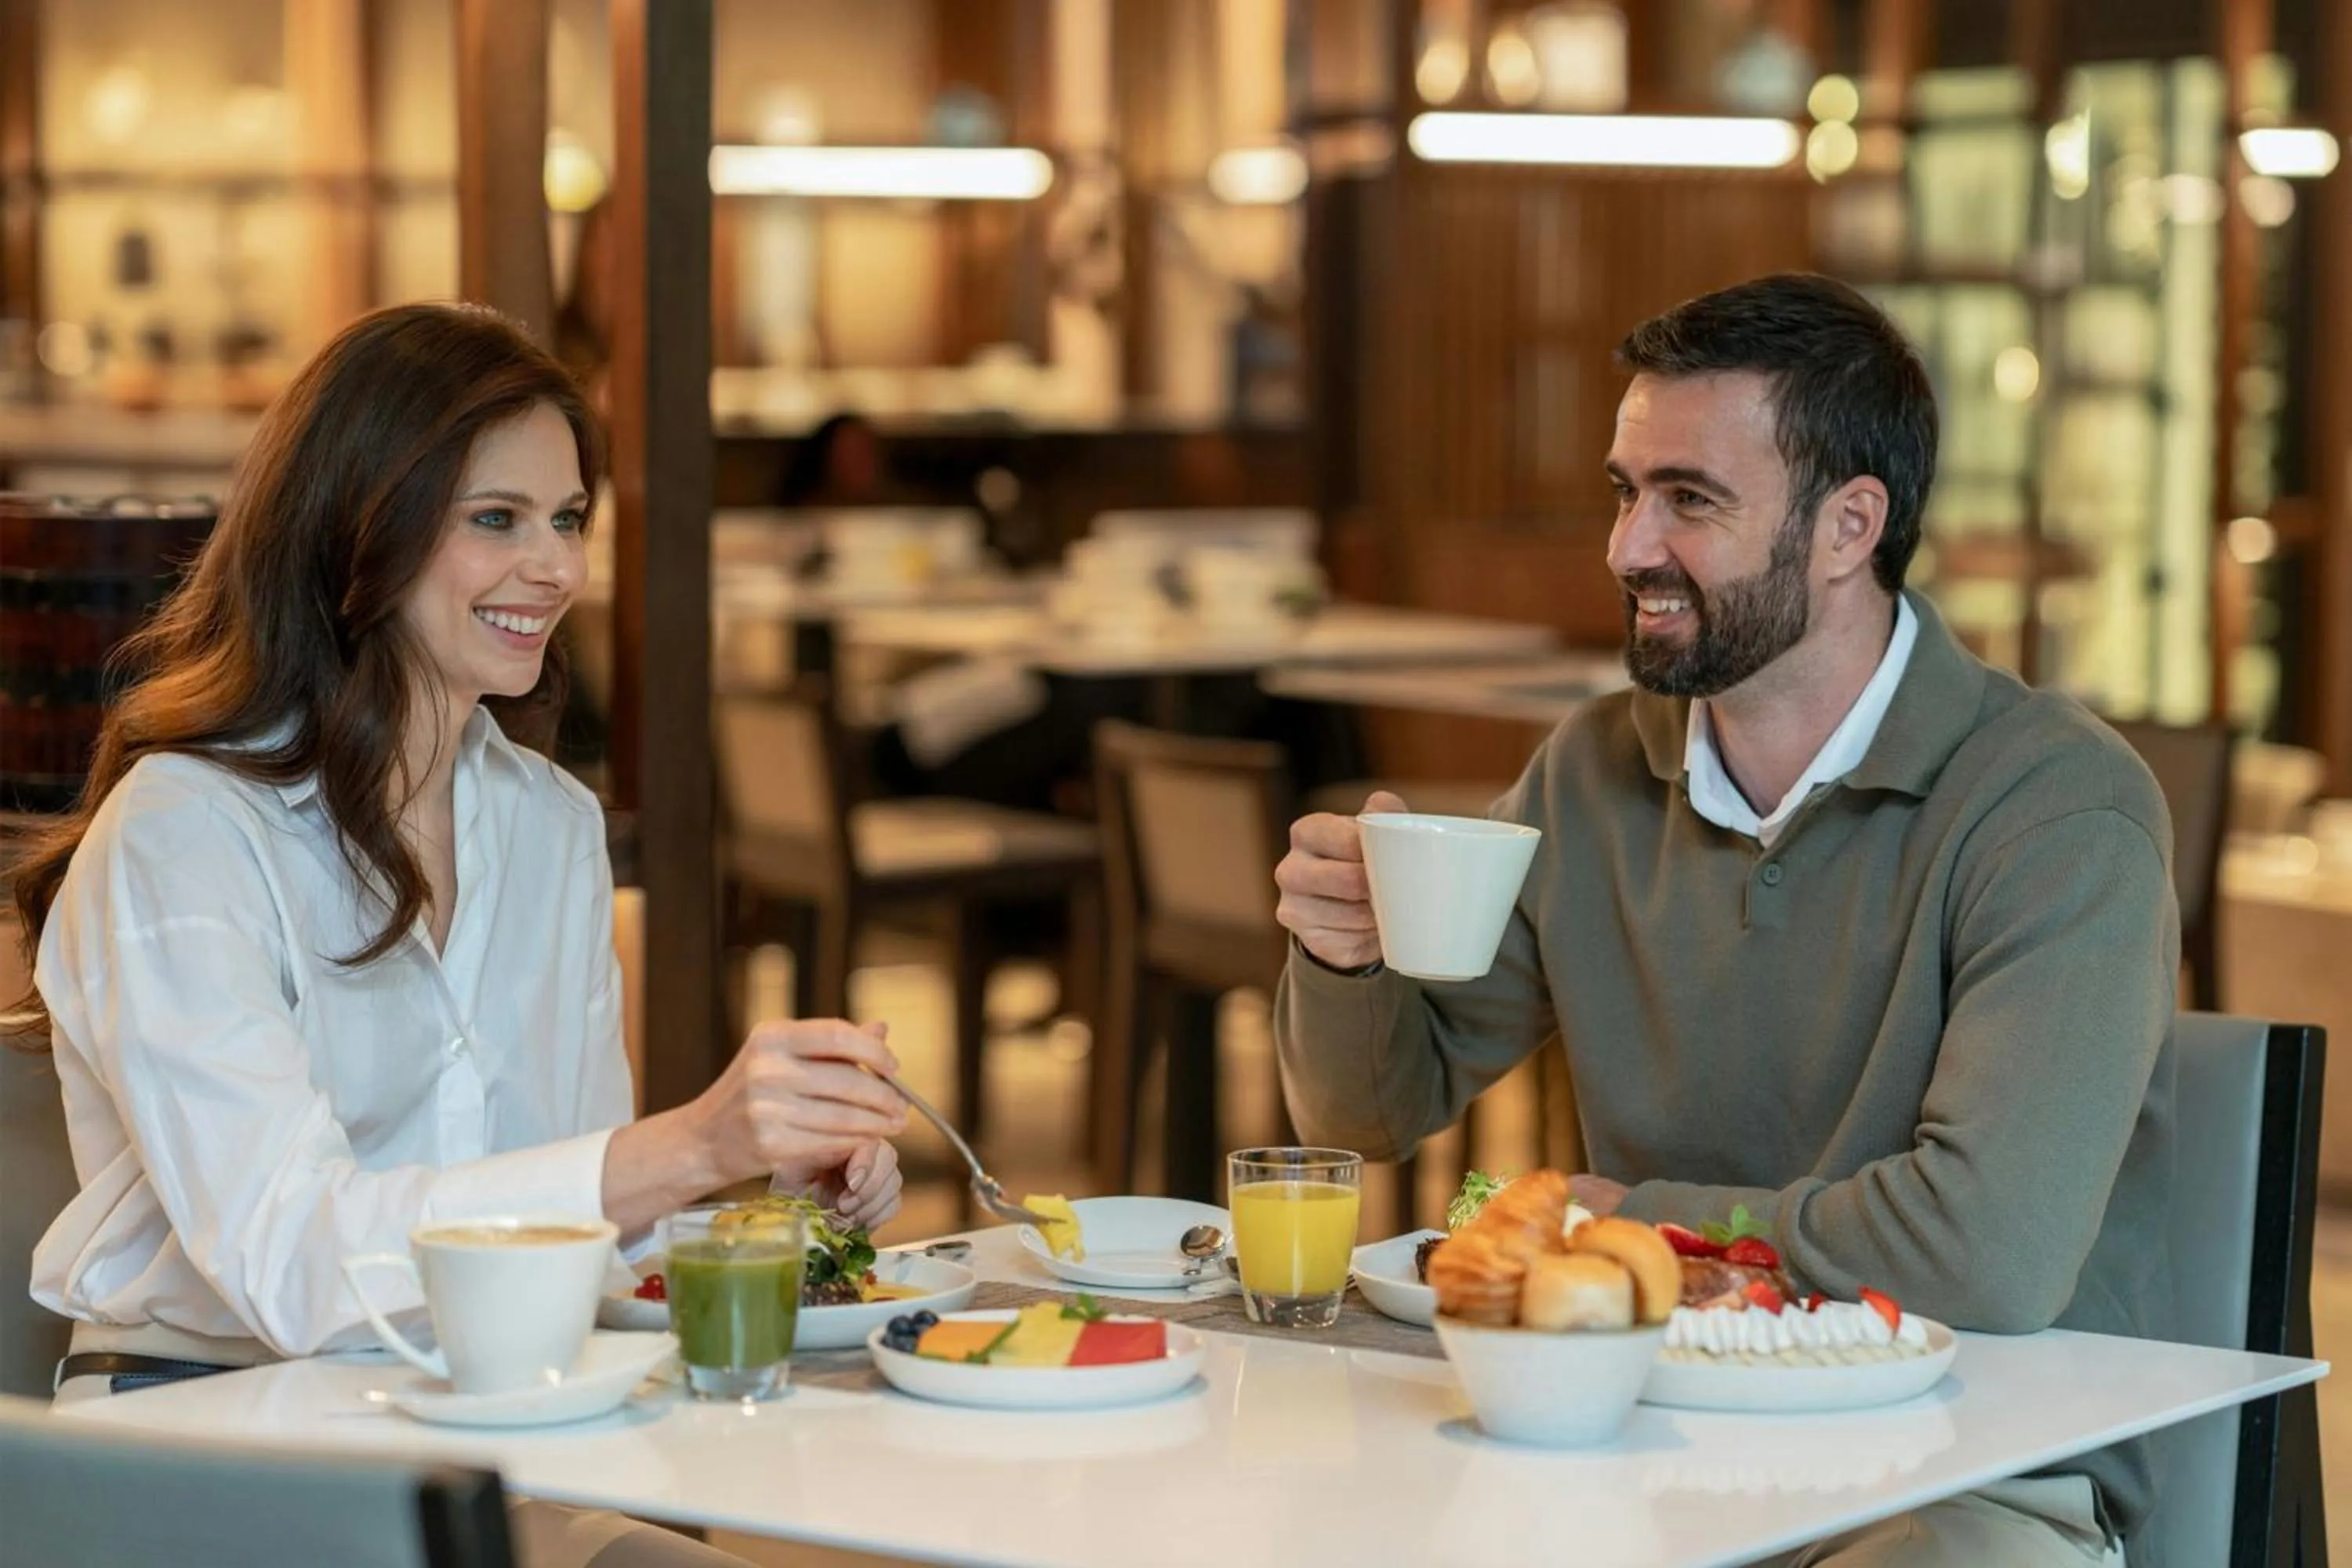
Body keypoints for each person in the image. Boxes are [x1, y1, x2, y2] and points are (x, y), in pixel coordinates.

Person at [1272, 274, 2174, 1566]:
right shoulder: (1590, 773)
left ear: (1849, 525)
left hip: (1956, 1475)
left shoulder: (2054, 810)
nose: (1629, 547)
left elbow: (1988, 1255)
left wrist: (1636, 1216)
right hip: (1630, 1435)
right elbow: (1367, 1111)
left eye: (1690, 499)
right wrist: (1341, 954)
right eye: (1626, 491)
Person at [11, 303, 911, 1567]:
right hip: (205, 1451)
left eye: (569, 519)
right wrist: (688, 1141)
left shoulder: (547, 826)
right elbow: (297, 1267)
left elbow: (579, 1238)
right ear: (354, 530)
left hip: (469, 1441)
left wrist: (757, 1191)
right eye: (496, 518)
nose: (553, 567)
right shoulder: (185, 833)